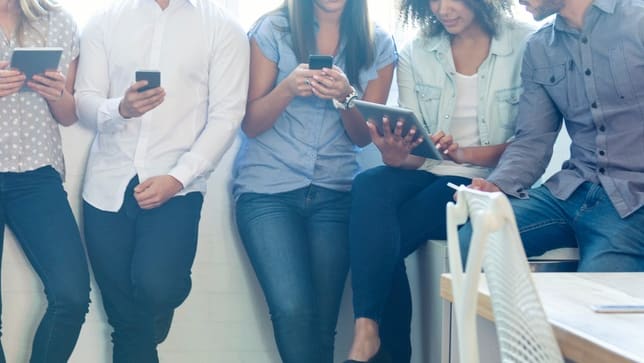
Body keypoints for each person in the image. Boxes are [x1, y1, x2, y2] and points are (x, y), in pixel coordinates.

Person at [344, 0, 534, 362]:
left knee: (384, 239)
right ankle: (366, 328)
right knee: (370, 184)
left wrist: (463, 154)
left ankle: (381, 345)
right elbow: (418, 156)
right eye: (432, 0)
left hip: (485, 181)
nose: (442, 9)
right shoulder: (418, 50)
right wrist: (395, 154)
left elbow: (530, 143)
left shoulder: (525, 43)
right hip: (432, 173)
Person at [74, 0, 249, 361]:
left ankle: (157, 308)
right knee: (127, 324)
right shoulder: (104, 21)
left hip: (177, 186)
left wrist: (177, 178)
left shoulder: (222, 26)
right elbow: (85, 100)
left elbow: (227, 115)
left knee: (157, 288)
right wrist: (120, 108)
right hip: (106, 186)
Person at [232, 0, 397, 362]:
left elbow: (362, 138)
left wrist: (345, 97)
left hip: (336, 194)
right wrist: (287, 88)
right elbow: (251, 123)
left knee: (323, 325)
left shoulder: (379, 43)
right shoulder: (273, 29)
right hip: (267, 192)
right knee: (292, 311)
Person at [459, 0, 644, 272]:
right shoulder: (539, 47)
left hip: (632, 200)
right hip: (570, 191)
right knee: (474, 239)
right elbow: (533, 138)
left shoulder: (637, 23)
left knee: (598, 298)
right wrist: (498, 184)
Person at [0, 0, 90, 362]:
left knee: (71, 295)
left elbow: (68, 116)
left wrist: (57, 94)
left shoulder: (59, 21)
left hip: (37, 173)